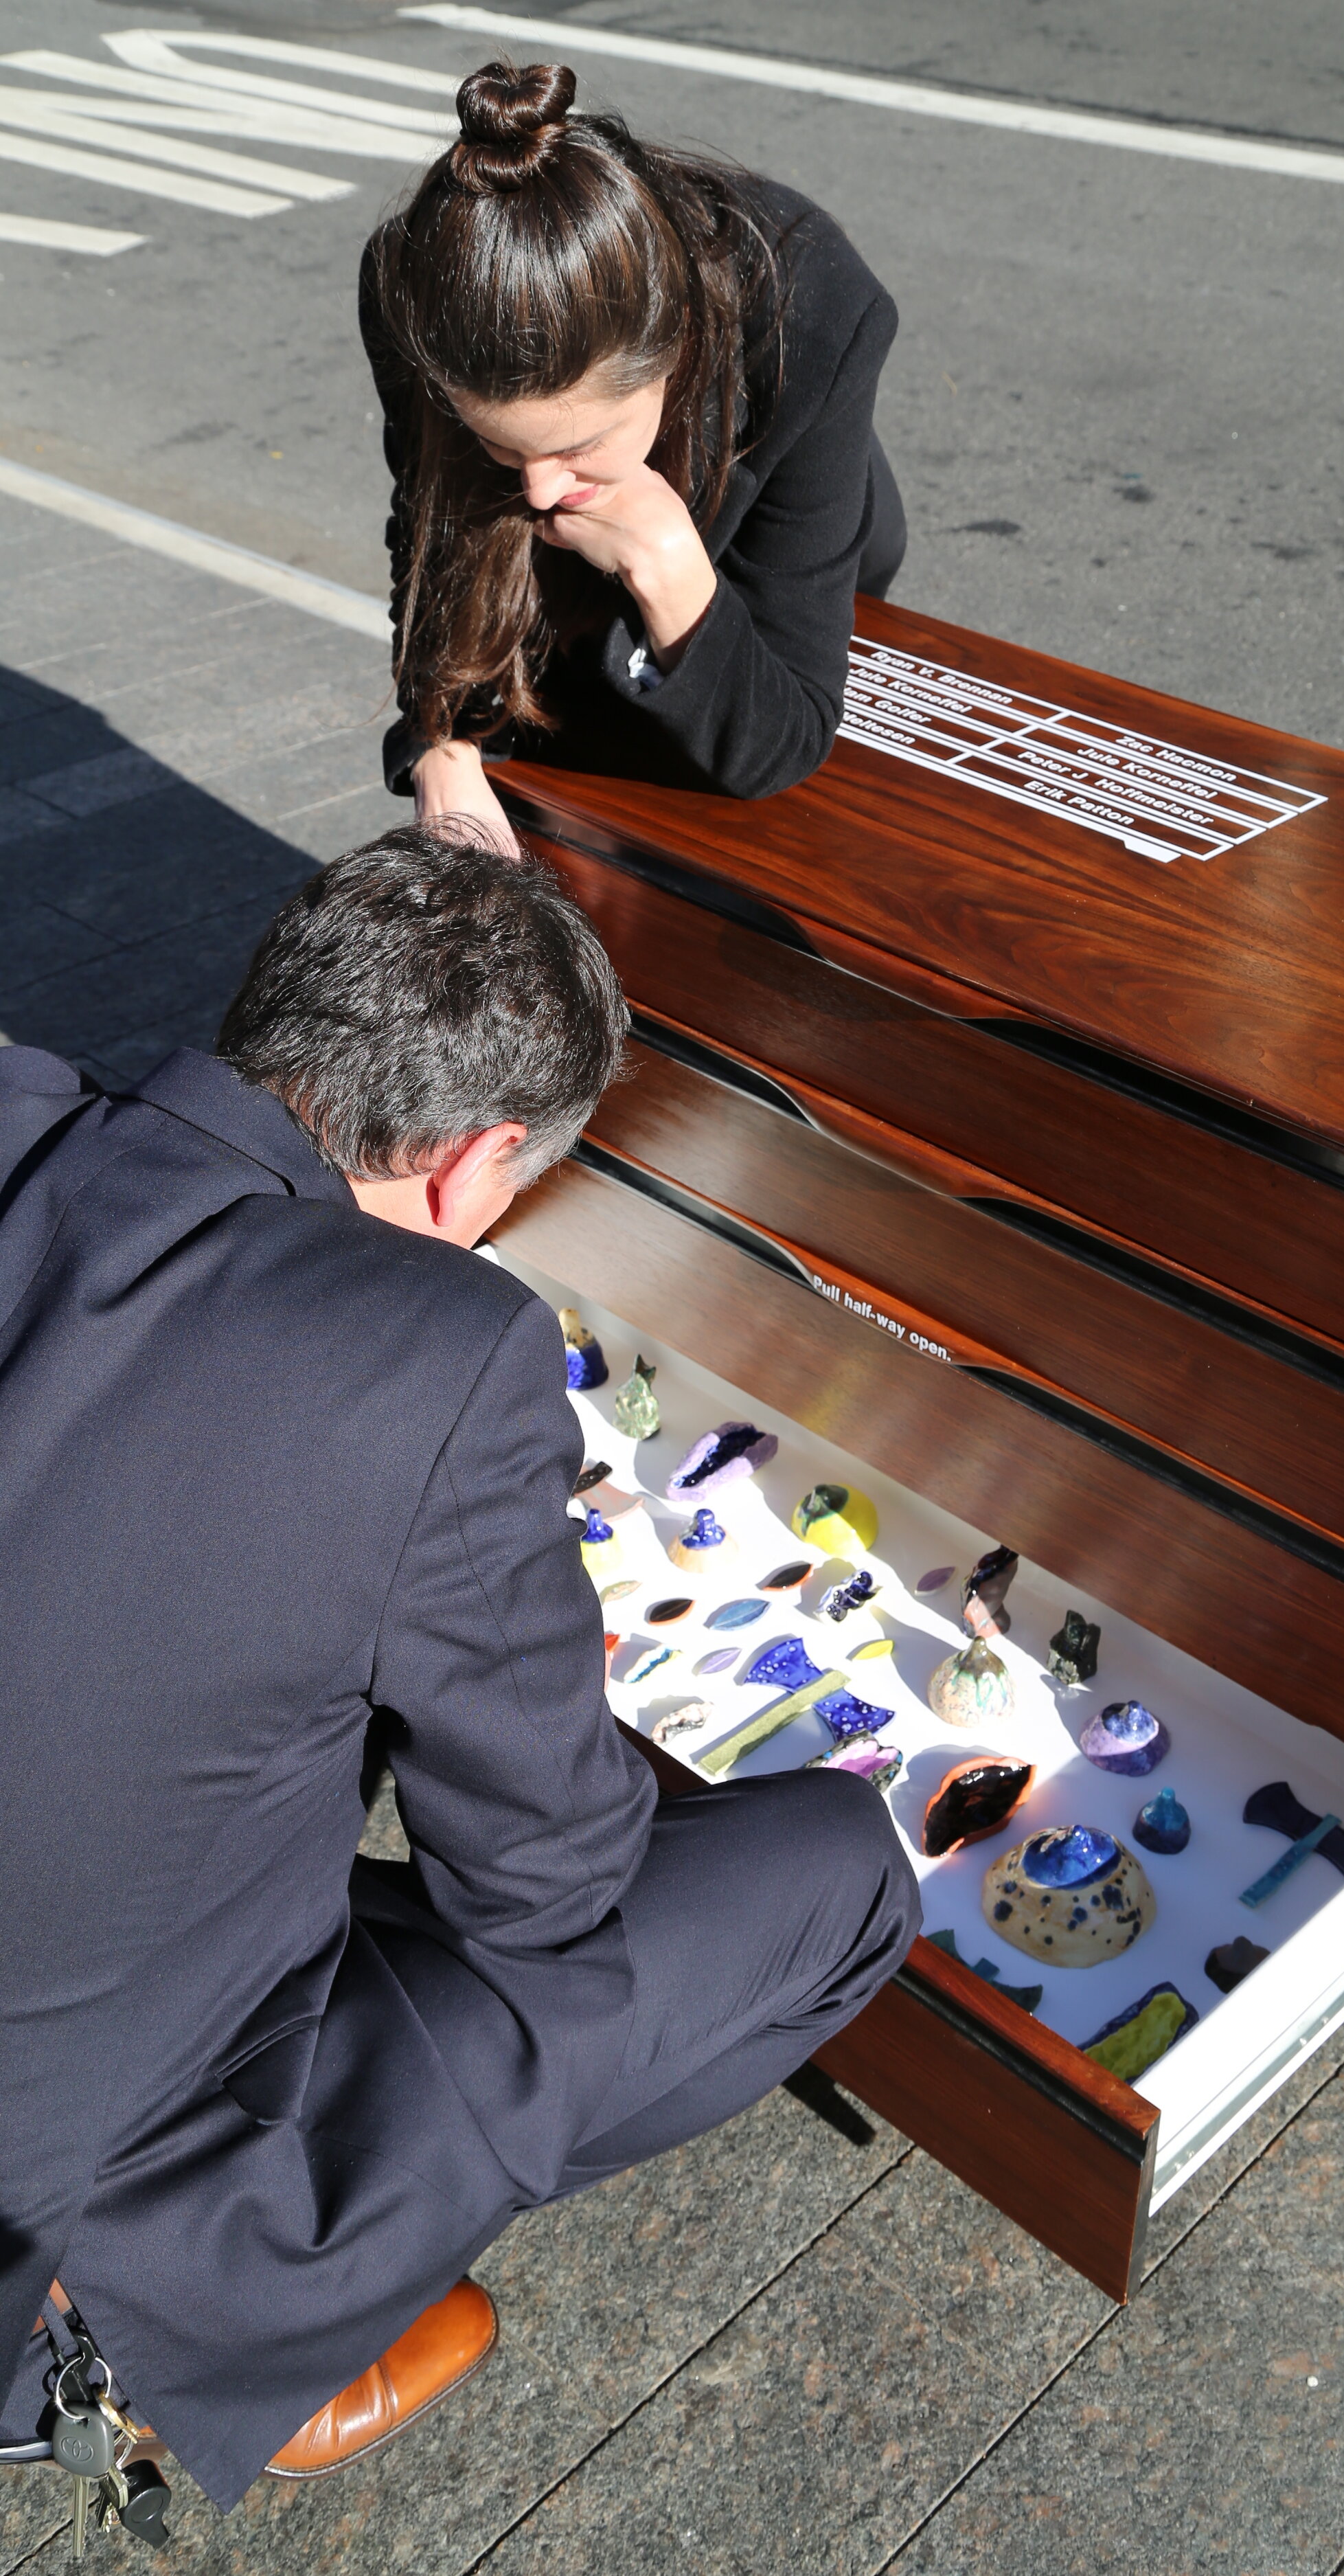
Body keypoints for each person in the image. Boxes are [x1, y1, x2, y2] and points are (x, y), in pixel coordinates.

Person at [0, 827, 920, 2511]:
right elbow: (543, 1887)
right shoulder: (437, 1347)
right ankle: (187, 2311)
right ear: (476, 1166)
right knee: (832, 1874)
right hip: (41, 2154)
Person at [361, 56, 907, 842]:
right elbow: (426, 531)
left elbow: (781, 741)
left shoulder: (813, 316)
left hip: (788, 529)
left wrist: (670, 564)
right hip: (572, 618)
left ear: (672, 357)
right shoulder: (414, 291)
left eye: (581, 444)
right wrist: (443, 751)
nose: (542, 491)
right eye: (499, 445)